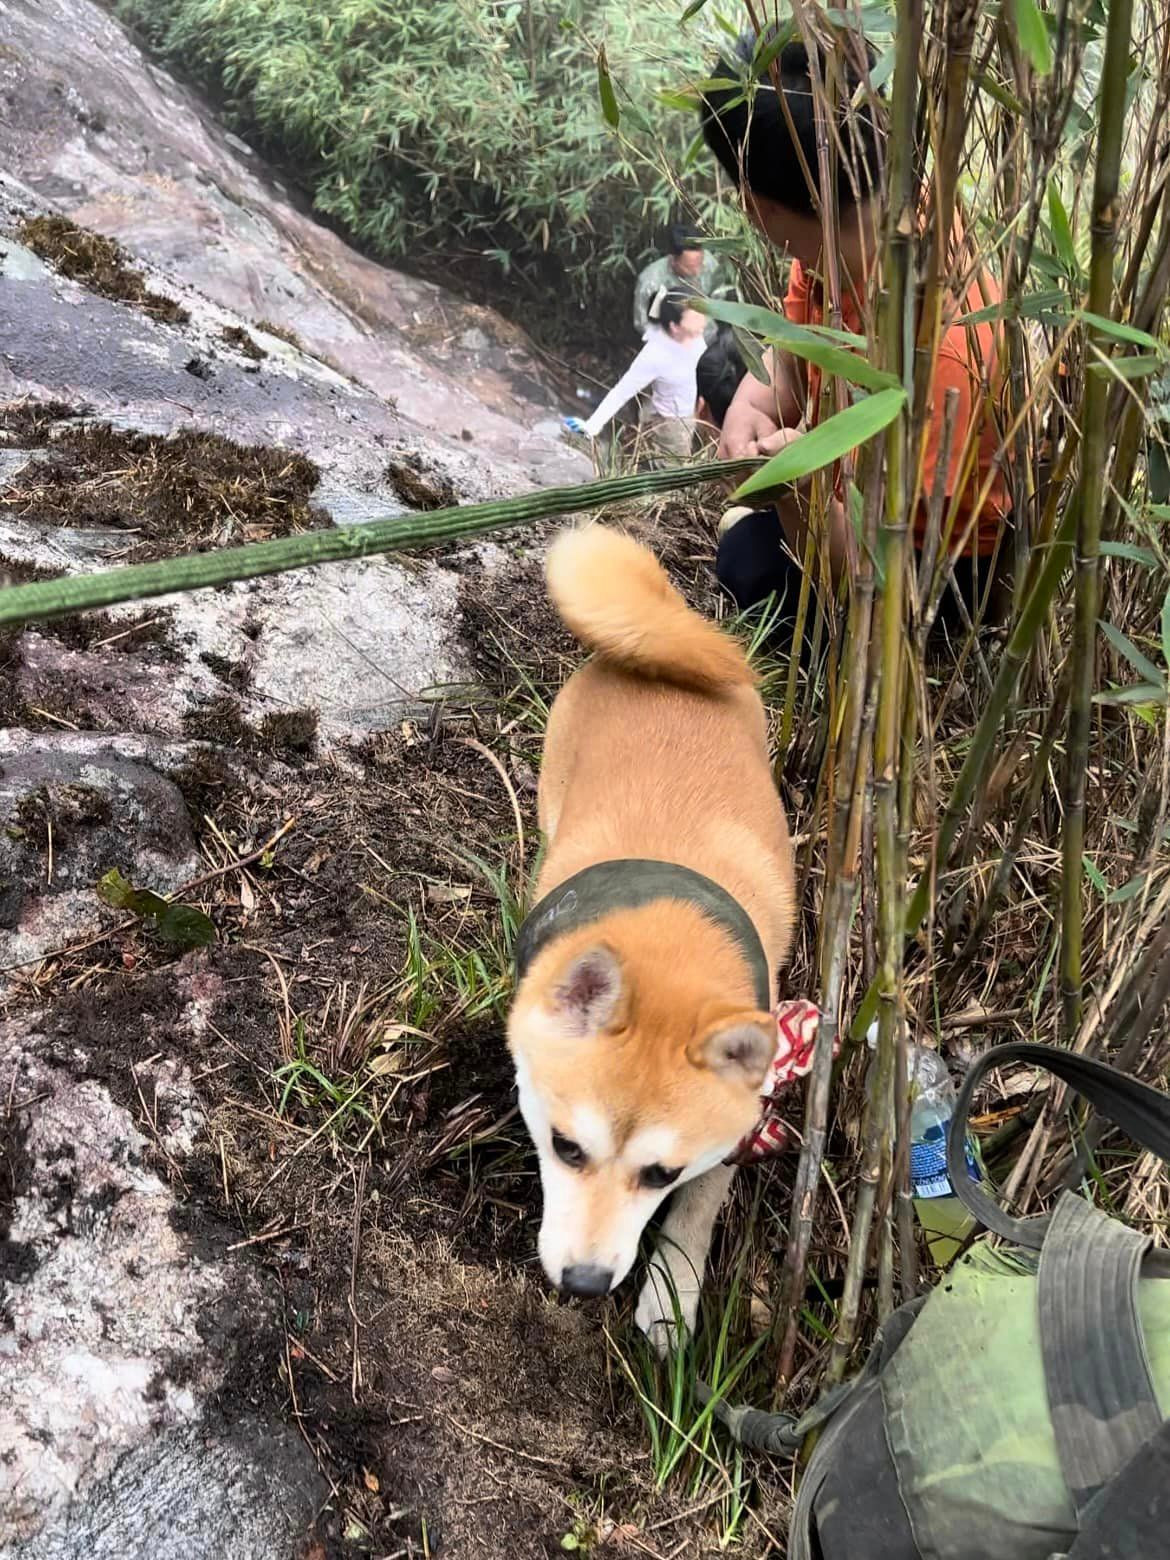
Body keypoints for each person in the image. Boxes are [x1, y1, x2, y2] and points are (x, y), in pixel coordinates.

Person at [699, 34, 1011, 622]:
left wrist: (801, 492)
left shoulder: (950, 349)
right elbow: (788, 356)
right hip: (859, 492)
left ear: (753, 203)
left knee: (750, 564)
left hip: (929, 571)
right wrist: (749, 409)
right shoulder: (839, 233)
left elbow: (879, 587)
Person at [565, 289, 707, 463]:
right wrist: (592, 426)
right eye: (695, 318)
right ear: (674, 327)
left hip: (694, 410)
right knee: (676, 469)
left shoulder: (696, 337)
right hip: (671, 425)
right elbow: (622, 391)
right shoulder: (655, 354)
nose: (704, 321)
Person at [633, 224, 721, 341]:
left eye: (700, 263)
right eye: (690, 267)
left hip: (709, 340)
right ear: (673, 259)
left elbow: (720, 300)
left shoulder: (709, 263)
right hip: (671, 343)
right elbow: (643, 324)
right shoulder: (651, 282)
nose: (697, 271)